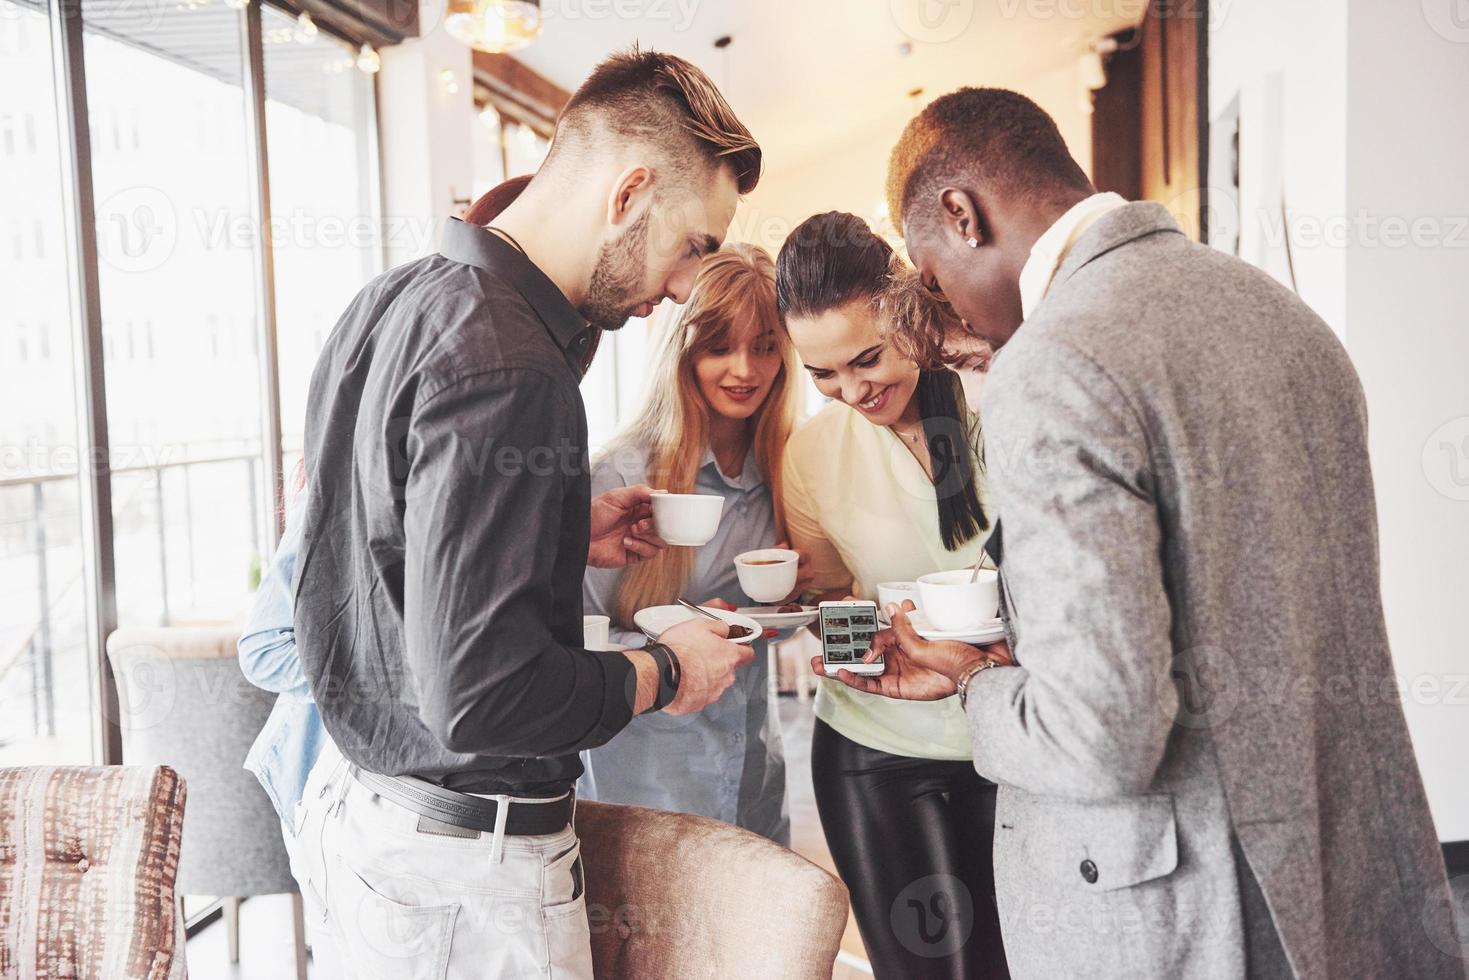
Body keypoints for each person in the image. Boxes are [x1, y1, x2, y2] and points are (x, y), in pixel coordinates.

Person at [832, 86, 1466, 979]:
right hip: (1337, 872)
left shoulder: (1053, 362)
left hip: (1176, 911)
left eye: (933, 278)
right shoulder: (1287, 319)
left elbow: (1100, 738)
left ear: (960, 215)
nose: (958, 316)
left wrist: (974, 685)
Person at [288, 50, 761, 979]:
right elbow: (484, 699)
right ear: (628, 193)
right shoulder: (510, 363)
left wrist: (551, 529)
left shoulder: (395, 298)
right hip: (460, 874)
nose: (681, 287)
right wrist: (666, 670)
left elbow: (370, 540)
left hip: (365, 821)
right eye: (695, 247)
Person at [236, 176, 536, 856]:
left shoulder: (497, 461)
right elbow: (261, 648)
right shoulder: (349, 481)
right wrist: (401, 675)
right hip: (336, 792)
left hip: (428, 802)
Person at [775, 211, 1007, 980]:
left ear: (906, 307)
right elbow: (830, 596)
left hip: (1014, 743)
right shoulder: (811, 454)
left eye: (866, 358)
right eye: (823, 374)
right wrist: (856, 648)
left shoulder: (994, 402)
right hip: (876, 754)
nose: (850, 389)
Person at [580, 242, 806, 844]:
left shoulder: (790, 472)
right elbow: (575, 640)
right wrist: (675, 638)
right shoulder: (621, 479)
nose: (745, 370)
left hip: (753, 769)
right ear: (682, 354)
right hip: (645, 783)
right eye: (719, 347)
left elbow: (778, 619)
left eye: (764, 347)